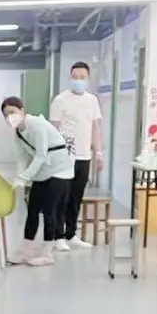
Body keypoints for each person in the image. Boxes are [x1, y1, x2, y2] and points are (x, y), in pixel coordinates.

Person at [2, 95, 75, 267]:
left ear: (22, 110)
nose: (10, 116)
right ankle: (26, 250)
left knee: (50, 211)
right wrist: (21, 177)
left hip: (59, 170)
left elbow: (41, 155)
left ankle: (47, 253)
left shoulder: (37, 125)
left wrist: (25, 177)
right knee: (32, 210)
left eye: (12, 111)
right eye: (6, 114)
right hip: (42, 172)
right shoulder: (18, 132)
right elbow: (21, 157)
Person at [50, 61, 103, 250]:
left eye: (82, 77)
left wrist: (98, 152)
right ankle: (58, 236)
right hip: (65, 156)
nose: (78, 80)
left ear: (88, 79)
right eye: (75, 77)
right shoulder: (60, 100)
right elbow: (53, 128)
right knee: (61, 197)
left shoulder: (92, 100)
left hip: (84, 156)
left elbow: (95, 128)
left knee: (76, 197)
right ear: (70, 77)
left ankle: (71, 233)